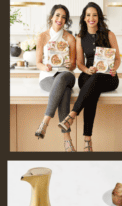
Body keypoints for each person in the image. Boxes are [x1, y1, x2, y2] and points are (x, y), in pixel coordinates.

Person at [58, 2, 121, 152]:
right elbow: (79, 63)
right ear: (84, 18)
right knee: (92, 91)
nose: (91, 18)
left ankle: (72, 115)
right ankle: (87, 142)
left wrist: (114, 68)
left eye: (94, 15)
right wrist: (87, 70)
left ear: (99, 17)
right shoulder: (80, 37)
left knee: (96, 81)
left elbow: (117, 59)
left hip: (108, 77)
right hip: (88, 75)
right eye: (88, 15)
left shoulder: (109, 34)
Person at [35, 4, 76, 152]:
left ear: (66, 20)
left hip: (66, 75)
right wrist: (45, 67)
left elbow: (73, 66)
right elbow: (38, 62)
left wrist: (70, 64)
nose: (60, 19)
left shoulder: (70, 38)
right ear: (51, 17)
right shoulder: (43, 36)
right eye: (57, 15)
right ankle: (67, 140)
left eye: (63, 17)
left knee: (63, 78)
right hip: (48, 76)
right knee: (64, 92)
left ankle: (45, 121)